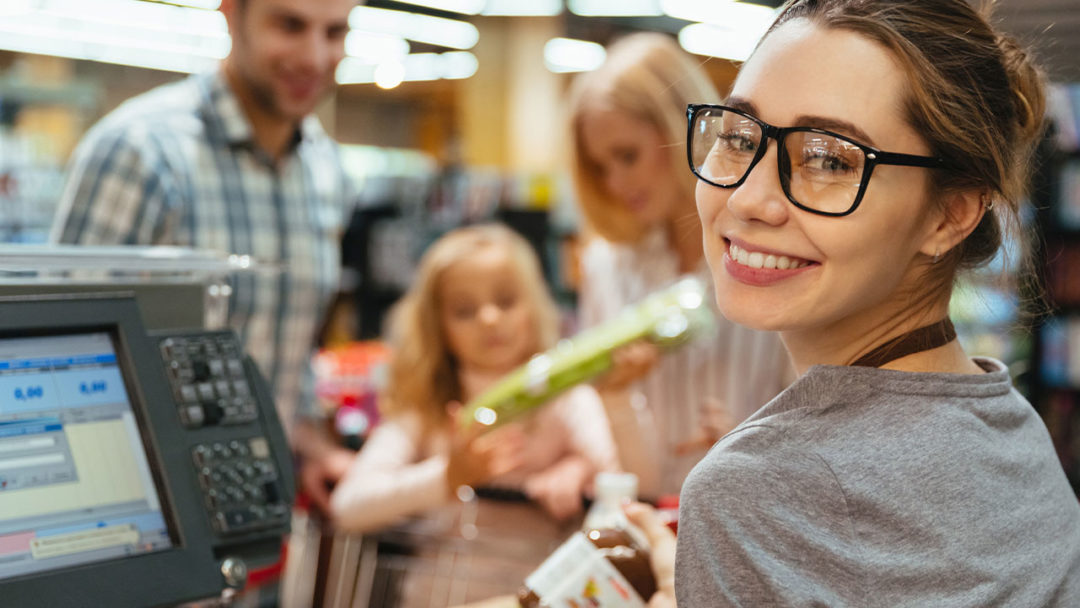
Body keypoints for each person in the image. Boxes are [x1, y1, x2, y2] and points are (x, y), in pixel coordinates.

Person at [668, 0, 1080, 605]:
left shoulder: (751, 491)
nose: (752, 199)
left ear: (951, 214)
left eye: (828, 159)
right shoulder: (1008, 418)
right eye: (737, 136)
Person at [49, 0, 358, 513]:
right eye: (290, 25)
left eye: (335, 31)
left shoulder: (327, 172)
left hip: (262, 514)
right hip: (146, 526)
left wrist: (311, 444)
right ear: (231, 13)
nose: (314, 56)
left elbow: (287, 350)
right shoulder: (140, 152)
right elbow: (59, 348)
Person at [567, 32, 791, 498]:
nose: (616, 182)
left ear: (679, 130)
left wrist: (751, 452)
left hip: (754, 515)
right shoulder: (607, 267)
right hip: (647, 518)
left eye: (628, 156)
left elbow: (810, 420)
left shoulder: (772, 251)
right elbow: (601, 422)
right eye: (600, 166)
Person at [329, 224, 620, 533]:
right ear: (437, 327)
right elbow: (347, 507)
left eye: (506, 301)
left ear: (533, 305)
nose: (489, 319)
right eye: (464, 310)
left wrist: (581, 469)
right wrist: (448, 476)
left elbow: (621, 482)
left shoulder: (568, 396)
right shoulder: (427, 403)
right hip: (440, 577)